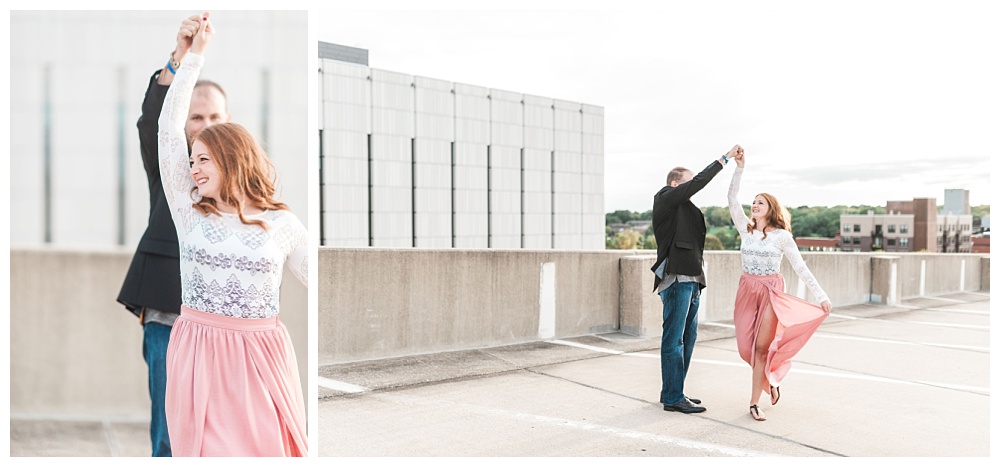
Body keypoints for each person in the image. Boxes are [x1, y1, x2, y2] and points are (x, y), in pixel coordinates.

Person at [158, 13, 308, 456]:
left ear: (232, 160)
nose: (193, 168)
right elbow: (168, 130)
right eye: (193, 159)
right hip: (198, 355)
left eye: (204, 159)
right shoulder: (189, 213)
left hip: (262, 359)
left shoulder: (283, 225)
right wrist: (194, 58)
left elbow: (329, 284)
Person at [116, 12, 231, 457]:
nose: (204, 124)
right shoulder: (172, 169)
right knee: (168, 433)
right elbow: (152, 122)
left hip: (224, 323)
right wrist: (180, 59)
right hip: (167, 310)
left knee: (218, 432)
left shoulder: (245, 179)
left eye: (214, 116)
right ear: (183, 123)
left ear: (228, 119)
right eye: (195, 116)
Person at [727, 150, 833, 421]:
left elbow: (801, 267)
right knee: (744, 348)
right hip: (747, 290)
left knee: (761, 349)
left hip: (771, 292)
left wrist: (821, 296)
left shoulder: (782, 237)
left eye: (760, 202)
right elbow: (731, 199)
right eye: (753, 201)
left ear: (770, 208)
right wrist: (739, 168)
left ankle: (753, 403)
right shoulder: (745, 229)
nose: (754, 204)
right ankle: (770, 380)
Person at [651, 145, 741, 414]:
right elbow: (699, 182)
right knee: (674, 340)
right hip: (676, 279)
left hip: (692, 280)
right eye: (688, 183)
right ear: (675, 183)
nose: (693, 188)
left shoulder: (684, 208)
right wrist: (725, 159)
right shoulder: (665, 197)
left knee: (688, 338)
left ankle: (673, 390)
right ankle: (673, 398)